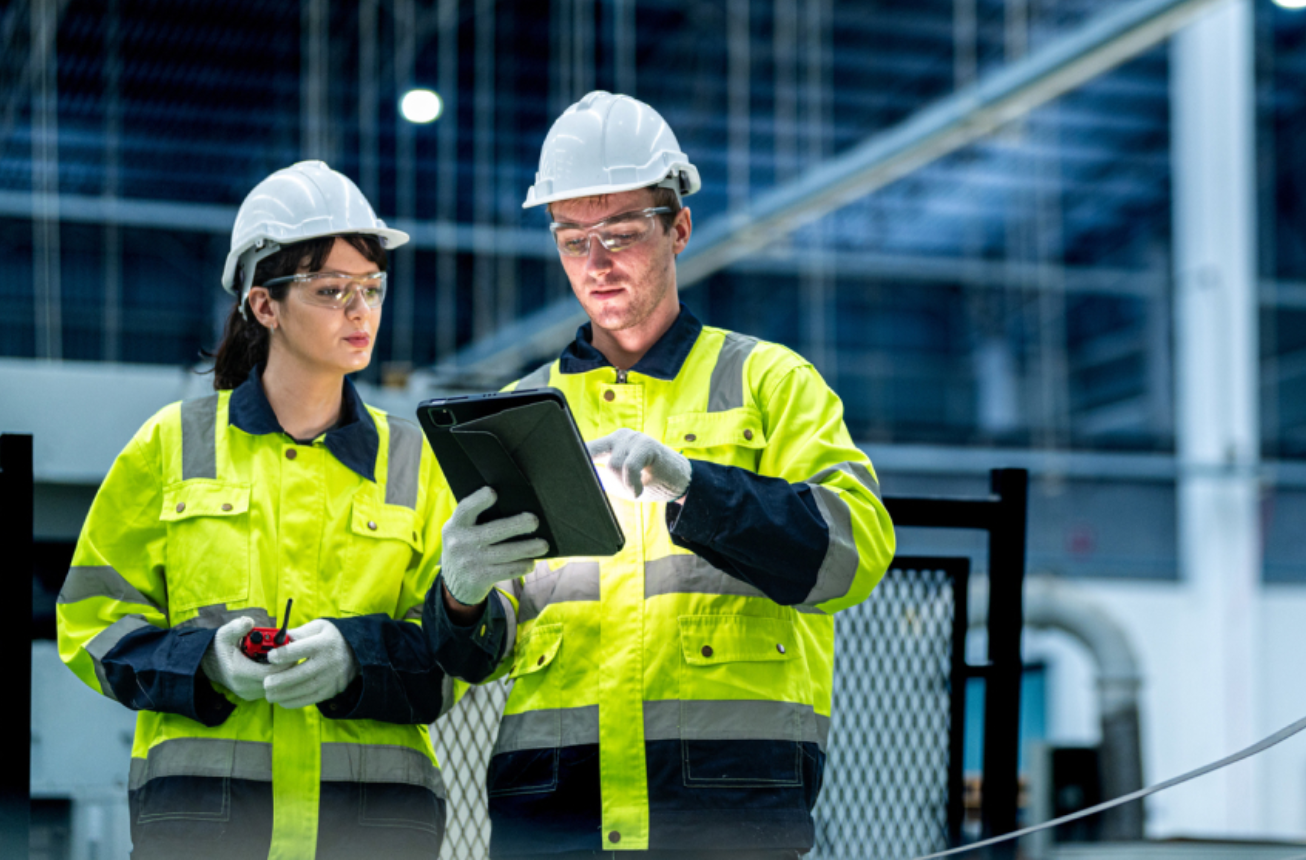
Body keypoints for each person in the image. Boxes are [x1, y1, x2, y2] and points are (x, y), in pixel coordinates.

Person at [425, 91, 896, 857]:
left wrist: (695, 487)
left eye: (619, 233)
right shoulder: (518, 412)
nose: (596, 262)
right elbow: (473, 657)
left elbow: (854, 554)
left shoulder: (770, 383)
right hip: (556, 819)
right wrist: (460, 595)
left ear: (679, 228)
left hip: (723, 811)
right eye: (572, 239)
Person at [56, 161, 465, 859]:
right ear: (264, 306)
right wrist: (205, 664)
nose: (360, 311)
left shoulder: (414, 462)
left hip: (371, 832)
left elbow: (455, 658)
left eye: (372, 288)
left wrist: (357, 659)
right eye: (331, 290)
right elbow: (90, 625)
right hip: (205, 830)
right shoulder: (170, 445)